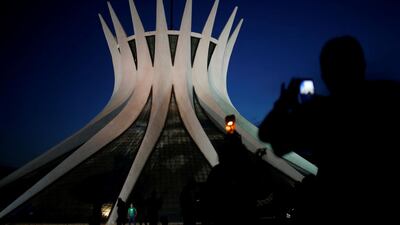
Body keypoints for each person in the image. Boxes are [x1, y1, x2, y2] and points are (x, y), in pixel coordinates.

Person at [258, 36, 399, 224]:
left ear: (325, 75)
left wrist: (283, 104)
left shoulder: (321, 112)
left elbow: (270, 138)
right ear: (362, 65)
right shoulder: (388, 95)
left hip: (333, 207)